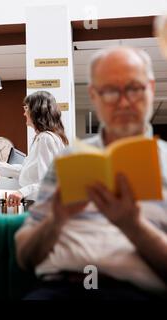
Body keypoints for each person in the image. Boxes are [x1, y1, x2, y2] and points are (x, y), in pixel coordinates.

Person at [16, 47, 167, 300]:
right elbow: (25, 255)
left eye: (134, 88)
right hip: (59, 288)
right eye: (109, 91)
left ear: (151, 88)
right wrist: (56, 218)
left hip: (133, 292)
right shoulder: (67, 160)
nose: (123, 101)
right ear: (94, 96)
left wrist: (134, 226)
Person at [0, 91, 68, 209]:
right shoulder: (43, 138)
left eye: (27, 108)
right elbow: (23, 171)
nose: (24, 113)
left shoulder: (45, 138)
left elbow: (49, 182)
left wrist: (22, 192)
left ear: (37, 111)